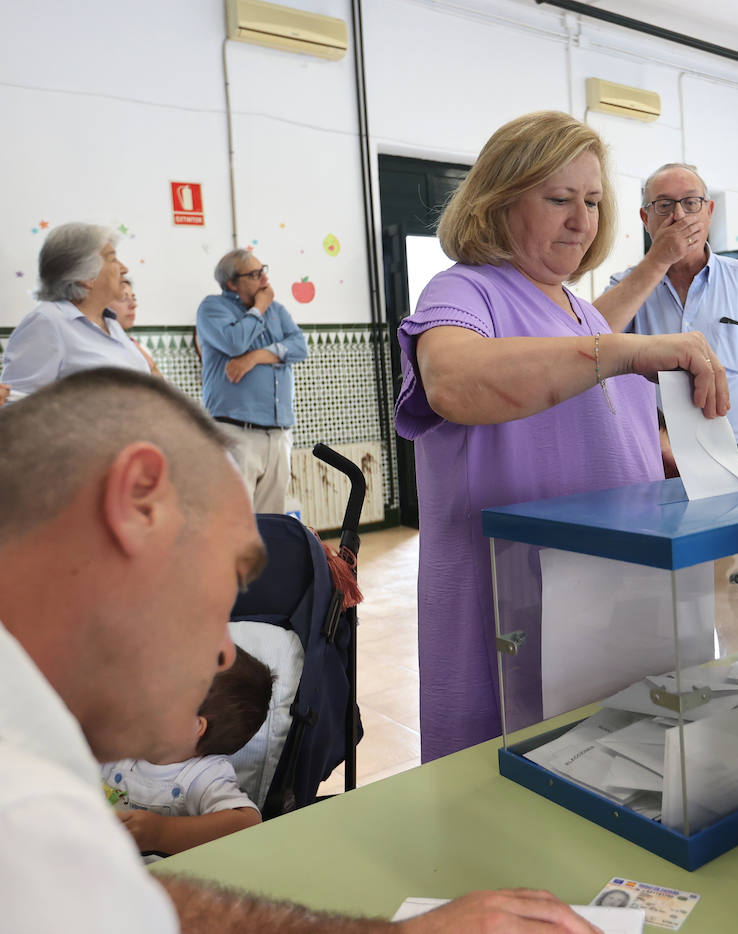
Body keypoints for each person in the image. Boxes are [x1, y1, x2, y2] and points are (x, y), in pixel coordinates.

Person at [0, 367, 598, 933]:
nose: (222, 652)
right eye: (228, 583)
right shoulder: (23, 793)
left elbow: (113, 902)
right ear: (139, 502)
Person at [394, 113, 728, 761]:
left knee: (619, 772)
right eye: (559, 200)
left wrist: (658, 264)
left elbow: (581, 350)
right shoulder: (464, 290)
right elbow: (455, 381)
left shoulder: (570, 308)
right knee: (515, 790)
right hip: (514, 613)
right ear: (498, 202)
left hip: (608, 602)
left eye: (595, 202)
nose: (582, 221)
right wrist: (630, 351)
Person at [595, 162, 738, 468]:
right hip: (651, 463)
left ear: (709, 211)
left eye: (691, 203)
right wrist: (659, 260)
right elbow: (588, 345)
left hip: (737, 459)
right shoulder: (626, 286)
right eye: (664, 205)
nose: (678, 216)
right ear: (645, 218)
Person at [102, 648, 271, 858]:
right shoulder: (120, 741)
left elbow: (247, 824)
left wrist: (160, 833)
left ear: (196, 726)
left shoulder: (204, 776)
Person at [196, 250, 309, 514]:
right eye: (254, 274)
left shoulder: (277, 311)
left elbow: (300, 347)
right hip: (235, 432)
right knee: (235, 521)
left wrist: (256, 357)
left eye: (263, 270)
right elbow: (235, 343)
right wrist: (258, 309)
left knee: (273, 522)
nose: (264, 278)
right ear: (232, 283)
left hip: (278, 433)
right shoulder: (213, 308)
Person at [1, 223, 148, 394]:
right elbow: (18, 403)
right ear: (86, 276)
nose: (124, 269)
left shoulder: (109, 321)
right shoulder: (47, 321)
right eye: (112, 259)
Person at [109, 277, 162, 377]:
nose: (133, 305)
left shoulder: (140, 348)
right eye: (123, 298)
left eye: (134, 298)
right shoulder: (101, 348)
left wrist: (151, 366)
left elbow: (159, 388)